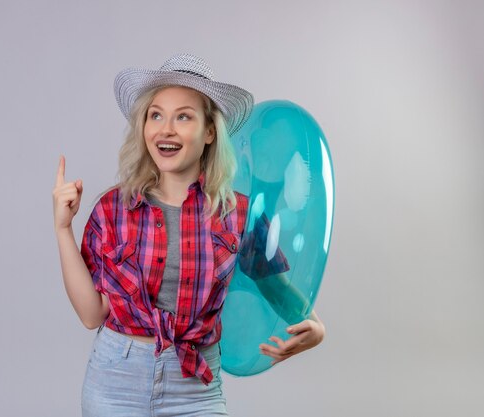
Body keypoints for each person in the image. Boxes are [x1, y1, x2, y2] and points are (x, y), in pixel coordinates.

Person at [52, 54, 325, 416]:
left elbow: (280, 292)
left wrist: (316, 328)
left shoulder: (237, 214)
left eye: (184, 116)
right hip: (116, 381)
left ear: (210, 131)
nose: (166, 129)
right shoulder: (113, 209)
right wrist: (62, 228)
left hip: (195, 388)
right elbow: (91, 314)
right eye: (156, 115)